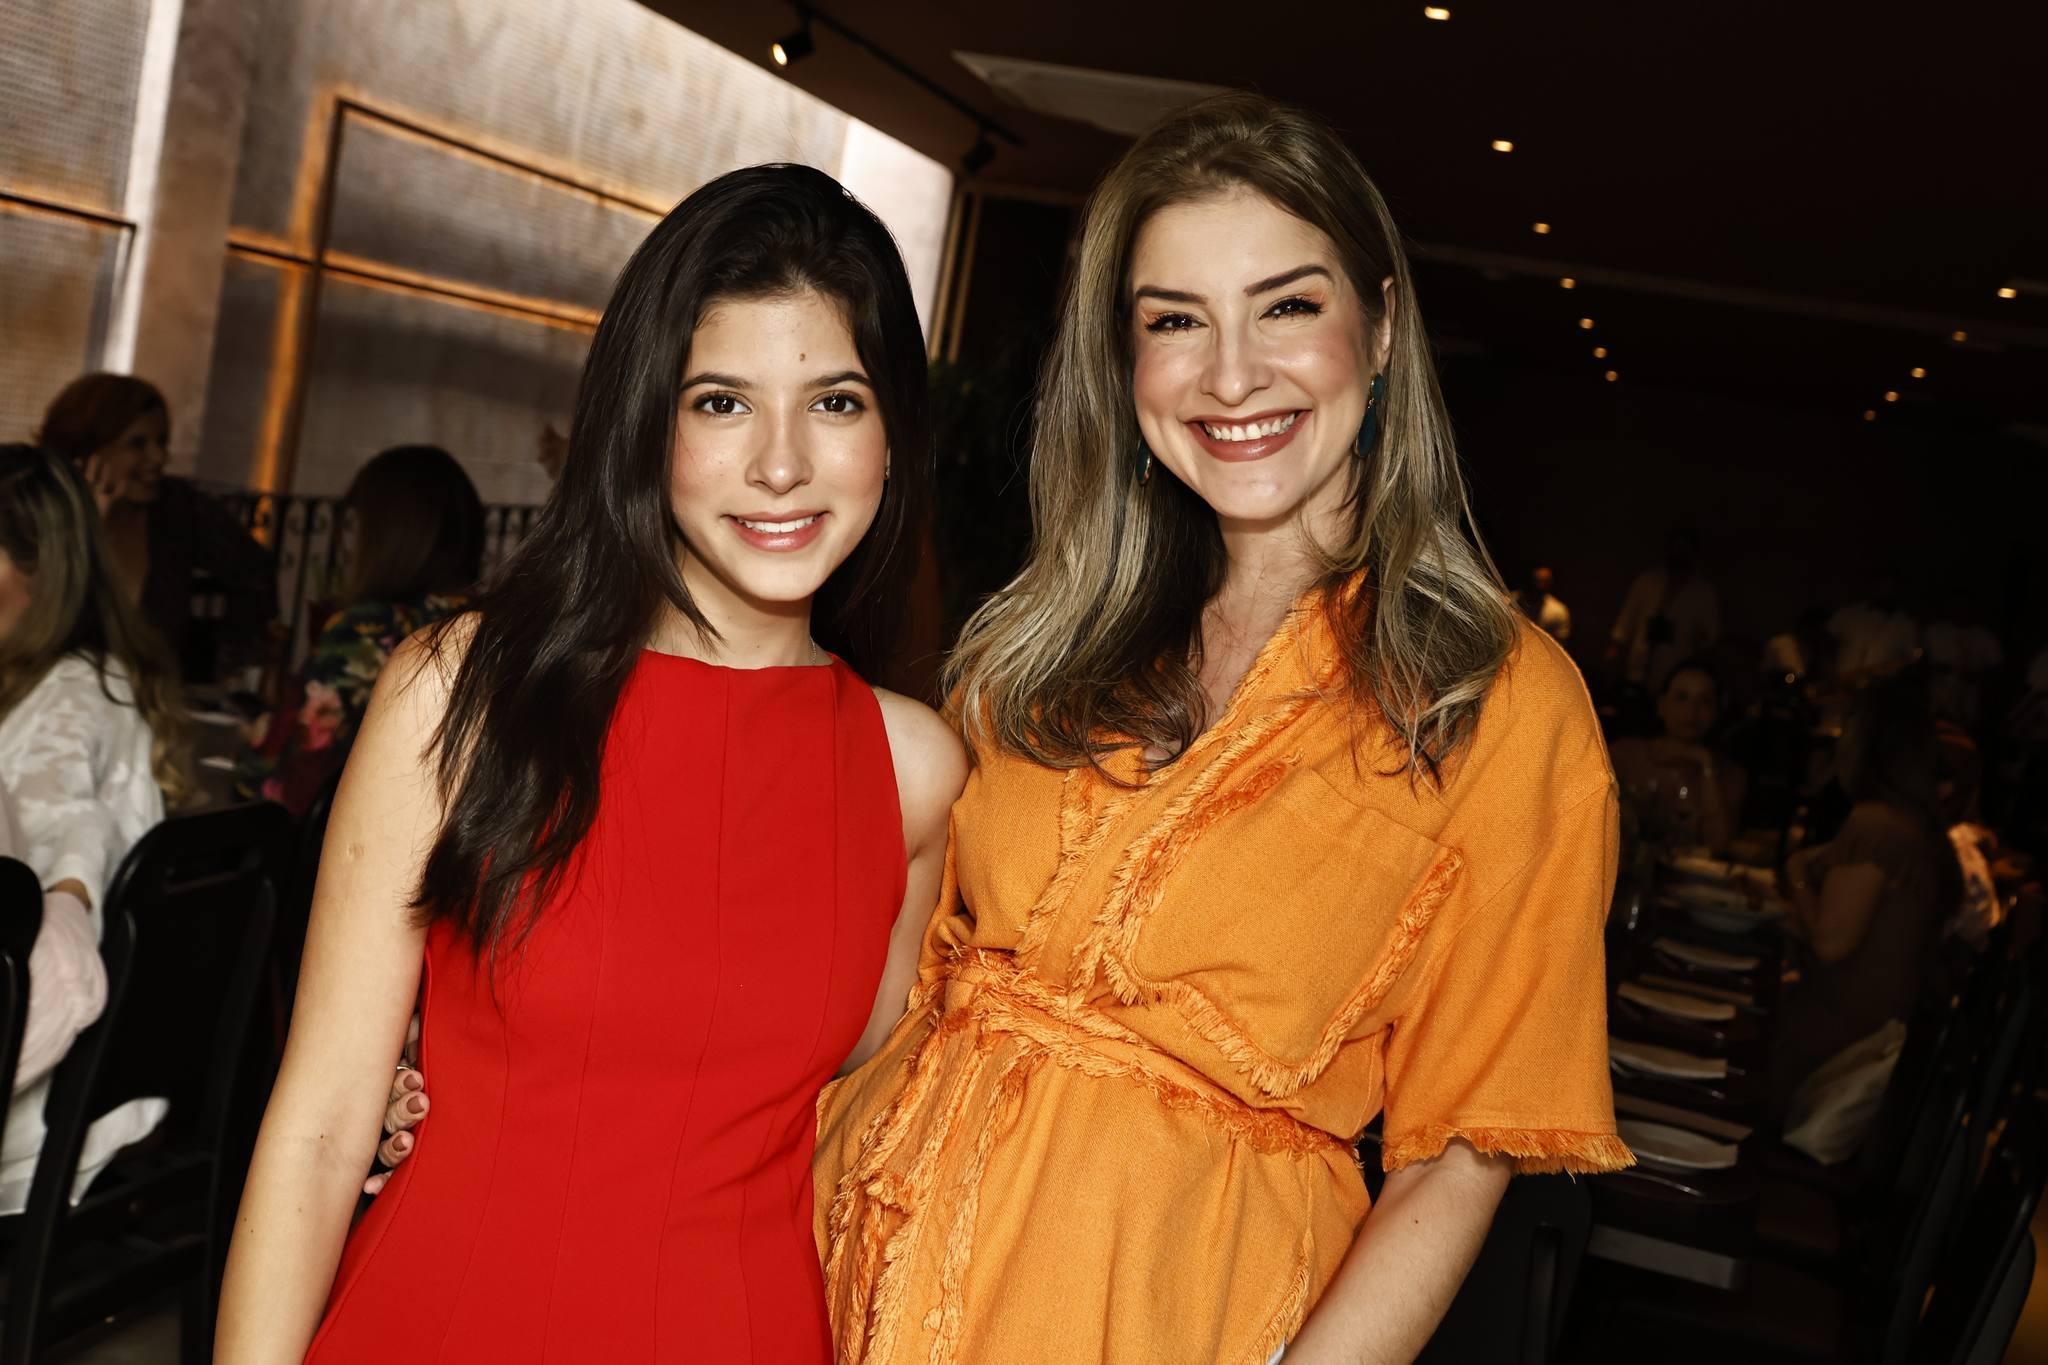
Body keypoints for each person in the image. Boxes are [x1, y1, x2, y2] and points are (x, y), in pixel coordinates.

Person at [381, 96, 1631, 1362]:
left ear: (1381, 327)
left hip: (1174, 1317)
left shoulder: (1494, 702)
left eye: (1286, 307)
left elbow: (1455, 1157)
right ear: (1122, 361)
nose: (1230, 374)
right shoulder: (1039, 647)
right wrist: (512, 1045)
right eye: (1174, 321)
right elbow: (829, 986)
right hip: (834, 1282)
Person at [215, 165, 963, 1363]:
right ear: (644, 425)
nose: (780, 464)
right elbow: (318, 1128)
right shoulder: (460, 691)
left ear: (892, 437)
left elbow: (855, 1126)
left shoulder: (914, 770)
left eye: (834, 401)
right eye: (720, 402)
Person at [0, 444, 189, 1210]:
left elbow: (47, 920)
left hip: (41, 1088)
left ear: (40, 571)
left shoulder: (71, 702)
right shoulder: (64, 677)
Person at [233, 445, 484, 814]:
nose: (345, 543)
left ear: (389, 536)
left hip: (351, 834)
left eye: (355, 525)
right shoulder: (489, 624)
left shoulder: (368, 630)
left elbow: (295, 783)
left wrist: (256, 751)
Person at [1774, 672, 1959, 1112]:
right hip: (1878, 1034)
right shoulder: (1916, 825)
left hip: (1843, 1046)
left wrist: (1797, 871)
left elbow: (1830, 944)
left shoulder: (1878, 826)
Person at [38, 374, 277, 680]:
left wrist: (220, 662)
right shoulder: (38, 517)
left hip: (150, 698)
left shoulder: (177, 509)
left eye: (161, 442)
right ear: (86, 452)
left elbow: (256, 571)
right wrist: (88, 527)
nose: (159, 457)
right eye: (137, 444)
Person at [1610, 658, 1748, 854]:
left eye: (1705, 701)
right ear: (1661, 705)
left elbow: (1718, 845)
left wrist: (1706, 767)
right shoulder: (1624, 754)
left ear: (1716, 712)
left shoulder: (1730, 774)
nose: (1692, 711)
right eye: (1682, 698)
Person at [1608, 526, 1719, 699]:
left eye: (1684, 549)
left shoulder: (1702, 594)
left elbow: (1710, 640)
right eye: (1676, 548)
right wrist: (1614, 662)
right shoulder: (1647, 583)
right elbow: (1625, 626)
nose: (1679, 554)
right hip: (1637, 672)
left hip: (1675, 677)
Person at [1516, 564, 1571, 642]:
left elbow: (1560, 644)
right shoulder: (1510, 601)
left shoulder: (1558, 611)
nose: (1540, 585)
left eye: (1545, 581)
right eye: (1536, 580)